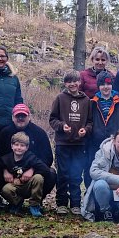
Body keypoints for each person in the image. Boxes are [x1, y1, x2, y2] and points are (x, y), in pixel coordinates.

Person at [49, 69, 92, 216]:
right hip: (63, 143)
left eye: (75, 81)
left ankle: (75, 203)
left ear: (79, 82)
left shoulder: (86, 100)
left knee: (76, 175)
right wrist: (62, 126)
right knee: (63, 174)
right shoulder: (60, 98)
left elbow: (91, 122)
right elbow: (52, 119)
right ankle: (61, 203)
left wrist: (85, 130)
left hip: (80, 145)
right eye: (69, 81)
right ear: (65, 83)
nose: (72, 84)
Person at [81, 129, 119, 223]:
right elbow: (94, 171)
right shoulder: (103, 152)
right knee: (100, 184)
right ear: (114, 141)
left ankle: (117, 210)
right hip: (106, 191)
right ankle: (105, 211)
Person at [0, 103, 56, 199]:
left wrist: (32, 170)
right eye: (17, 116)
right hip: (10, 173)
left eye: (23, 116)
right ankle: (14, 201)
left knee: (51, 173)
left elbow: (48, 158)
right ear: (12, 117)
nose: (20, 118)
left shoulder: (39, 133)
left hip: (33, 173)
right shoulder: (5, 133)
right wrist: (5, 170)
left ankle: (37, 200)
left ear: (29, 117)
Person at [85, 71, 119, 187]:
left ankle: (115, 198)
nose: (105, 87)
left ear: (112, 84)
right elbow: (87, 121)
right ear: (98, 86)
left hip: (115, 143)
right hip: (95, 143)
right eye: (102, 84)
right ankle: (91, 196)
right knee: (92, 169)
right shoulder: (92, 102)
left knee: (114, 171)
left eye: (108, 84)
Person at [0, 132, 51, 217]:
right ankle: (17, 203)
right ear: (12, 146)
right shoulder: (6, 158)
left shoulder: (31, 157)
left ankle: (34, 205)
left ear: (27, 147)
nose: (19, 148)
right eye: (16, 145)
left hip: (28, 185)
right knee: (6, 189)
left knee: (38, 178)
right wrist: (5, 170)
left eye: (22, 145)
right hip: (15, 186)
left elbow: (45, 169)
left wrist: (32, 170)